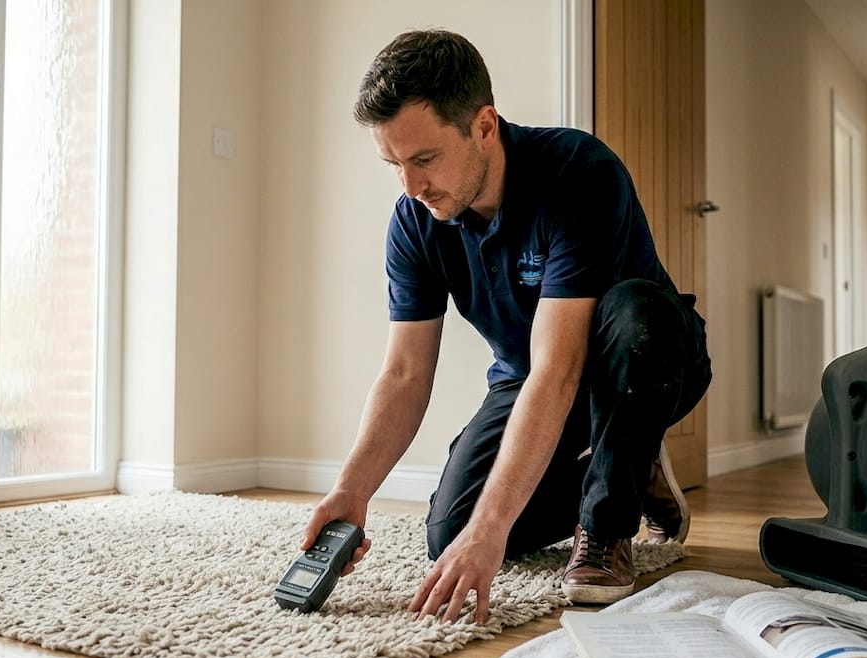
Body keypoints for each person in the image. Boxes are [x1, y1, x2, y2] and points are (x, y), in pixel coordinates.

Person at [299, 29, 711, 624]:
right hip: (528, 379)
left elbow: (561, 366)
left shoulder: (578, 172)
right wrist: (352, 488)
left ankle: (607, 517)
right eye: (393, 165)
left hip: (640, 360)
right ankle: (629, 467)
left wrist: (493, 528)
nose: (412, 188)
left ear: (484, 126)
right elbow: (405, 371)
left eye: (424, 159)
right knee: (450, 535)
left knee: (635, 314)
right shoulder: (416, 221)